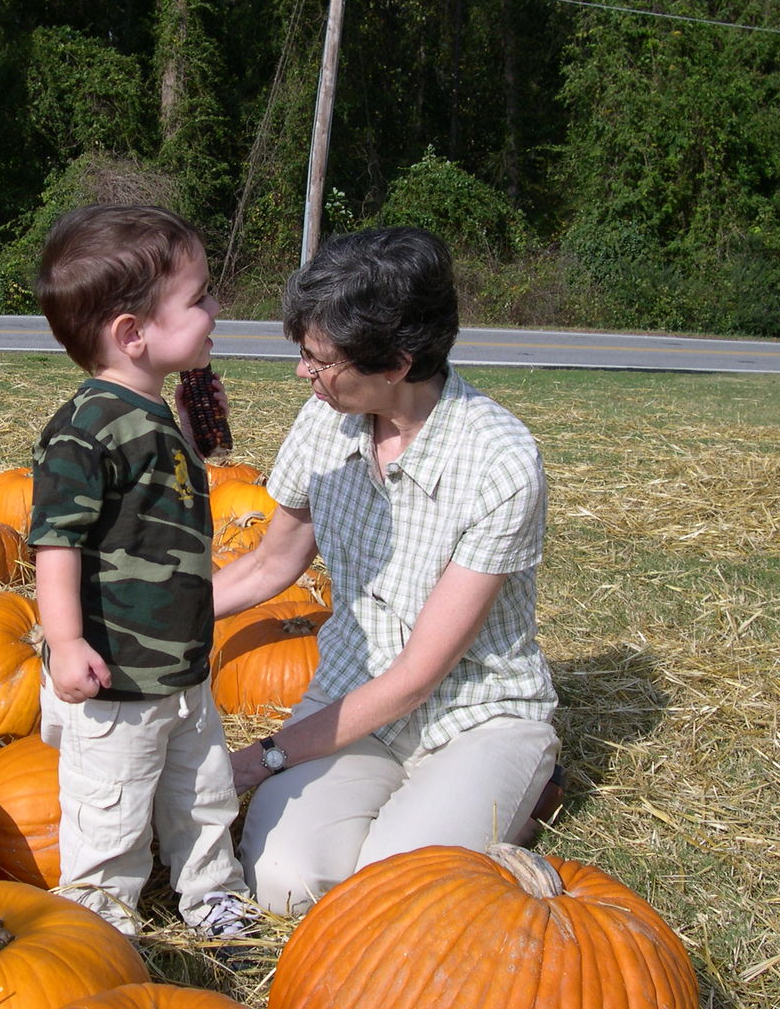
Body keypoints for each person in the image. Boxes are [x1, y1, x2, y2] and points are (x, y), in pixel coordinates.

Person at [213, 226, 560, 916]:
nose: (301, 374)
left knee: (395, 894)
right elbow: (269, 565)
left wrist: (259, 759)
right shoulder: (324, 420)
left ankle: (526, 786)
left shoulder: (501, 462)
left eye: (318, 360)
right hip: (352, 695)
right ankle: (442, 813)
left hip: (473, 712)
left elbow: (416, 677)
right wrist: (146, 615)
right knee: (284, 881)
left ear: (396, 364)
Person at [28, 203, 257, 944]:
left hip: (182, 664)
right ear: (132, 333)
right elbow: (55, 542)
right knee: (112, 808)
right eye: (198, 299)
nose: (215, 308)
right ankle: (98, 925)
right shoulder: (84, 427)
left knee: (203, 792)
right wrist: (64, 643)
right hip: (116, 673)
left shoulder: (150, 407)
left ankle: (211, 893)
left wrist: (197, 432)